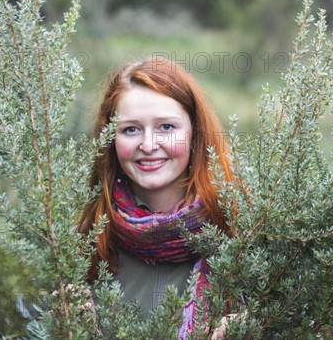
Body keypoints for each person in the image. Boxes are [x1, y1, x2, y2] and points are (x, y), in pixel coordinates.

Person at [78, 57, 234, 339]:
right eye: (130, 129)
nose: (149, 145)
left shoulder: (242, 229)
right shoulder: (87, 240)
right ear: (110, 140)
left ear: (195, 134)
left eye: (166, 127)